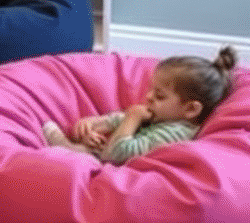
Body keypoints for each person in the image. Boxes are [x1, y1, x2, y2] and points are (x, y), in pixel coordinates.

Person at [42, 47, 238, 164]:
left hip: (118, 172)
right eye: (151, 89)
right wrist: (90, 126)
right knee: (87, 148)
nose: (149, 97)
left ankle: (63, 148)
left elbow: (116, 155)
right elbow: (117, 120)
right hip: (110, 154)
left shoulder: (177, 134)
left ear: (190, 109)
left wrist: (132, 117)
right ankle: (67, 148)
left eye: (160, 95)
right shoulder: (163, 117)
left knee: (84, 158)